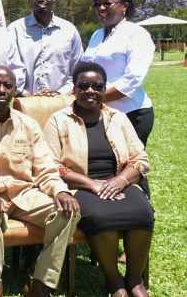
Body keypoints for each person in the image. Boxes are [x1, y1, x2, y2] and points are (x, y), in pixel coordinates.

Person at [0, 66, 80, 297]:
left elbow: (45, 169)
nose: (1, 90)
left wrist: (60, 191)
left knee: (68, 210)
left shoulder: (28, 124)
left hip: (25, 195)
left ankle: (40, 282)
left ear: (15, 90)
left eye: (7, 85)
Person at [43, 62, 153, 297]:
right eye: (83, 86)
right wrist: (92, 184)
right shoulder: (58, 120)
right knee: (102, 216)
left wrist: (121, 180)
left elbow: (140, 158)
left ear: (104, 89)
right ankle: (114, 282)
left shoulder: (118, 118)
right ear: (74, 89)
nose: (90, 91)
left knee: (144, 212)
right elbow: (49, 164)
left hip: (117, 181)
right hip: (80, 185)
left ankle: (135, 280)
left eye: (97, 86)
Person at [83, 0, 155, 147]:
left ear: (124, 6)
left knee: (128, 167)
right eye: (97, 4)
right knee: (104, 165)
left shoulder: (136, 34)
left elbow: (133, 80)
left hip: (130, 114)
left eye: (107, 3)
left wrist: (93, 98)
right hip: (99, 113)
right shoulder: (97, 35)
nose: (101, 8)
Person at [8, 0, 83, 96]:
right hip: (24, 101)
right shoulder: (15, 30)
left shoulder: (69, 30)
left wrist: (60, 93)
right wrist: (24, 93)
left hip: (61, 101)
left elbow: (77, 70)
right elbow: (11, 67)